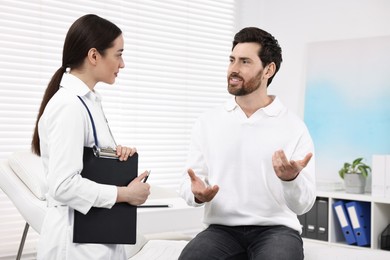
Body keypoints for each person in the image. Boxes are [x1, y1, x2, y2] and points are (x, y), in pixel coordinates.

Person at [179, 27, 316, 260]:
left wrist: (290, 179)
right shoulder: (208, 121)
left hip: (276, 230)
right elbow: (189, 182)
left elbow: (303, 205)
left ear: (268, 70)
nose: (233, 69)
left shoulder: (294, 127)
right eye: (232, 60)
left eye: (244, 62)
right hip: (221, 230)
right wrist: (198, 195)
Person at [31, 14, 150, 260]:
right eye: (118, 54)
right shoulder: (69, 107)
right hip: (74, 246)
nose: (123, 63)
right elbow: (63, 185)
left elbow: (89, 164)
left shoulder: (87, 103)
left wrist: (115, 157)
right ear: (94, 55)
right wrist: (124, 194)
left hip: (94, 240)